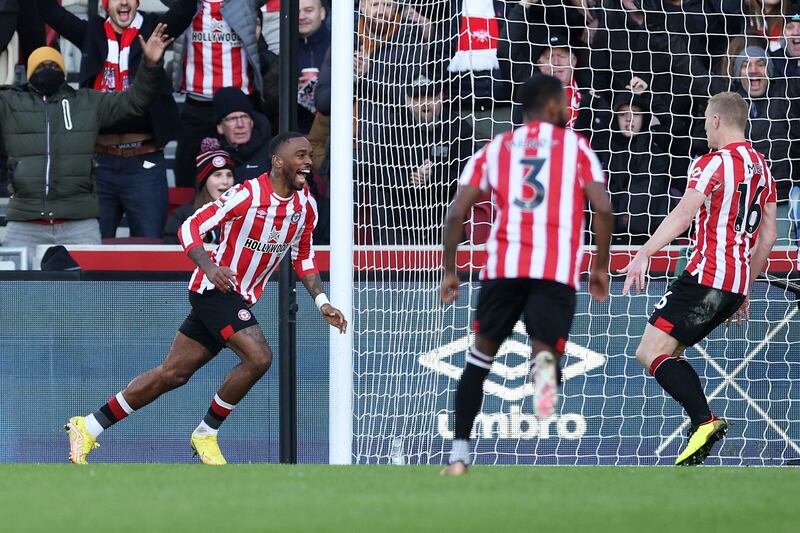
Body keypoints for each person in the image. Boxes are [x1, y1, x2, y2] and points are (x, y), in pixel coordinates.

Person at [65, 132, 347, 465]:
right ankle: (206, 433)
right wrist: (210, 266)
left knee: (172, 374)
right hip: (214, 291)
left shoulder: (305, 206)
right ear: (278, 162)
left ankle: (89, 425)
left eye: (309, 155)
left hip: (239, 297)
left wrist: (321, 302)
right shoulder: (246, 195)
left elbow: (303, 257)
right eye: (300, 156)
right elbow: (189, 228)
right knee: (259, 357)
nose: (307, 162)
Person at [439, 75, 612, 476]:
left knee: (478, 360)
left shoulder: (495, 148)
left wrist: (450, 270)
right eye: (565, 102)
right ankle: (544, 368)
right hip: (555, 271)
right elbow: (603, 209)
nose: (569, 108)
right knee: (546, 348)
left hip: (503, 269)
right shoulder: (575, 147)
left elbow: (454, 213)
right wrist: (600, 266)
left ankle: (459, 457)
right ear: (552, 106)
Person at [621, 92, 778, 466]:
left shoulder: (712, 163)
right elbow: (768, 235)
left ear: (719, 121)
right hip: (734, 282)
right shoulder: (762, 167)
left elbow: (683, 214)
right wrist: (746, 288)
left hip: (706, 276)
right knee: (668, 352)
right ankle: (702, 423)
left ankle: (704, 422)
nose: (705, 127)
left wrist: (644, 252)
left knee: (649, 351)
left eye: (707, 120)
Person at [0, 27, 172, 252]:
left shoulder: (87, 102)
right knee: (14, 287)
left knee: (89, 286)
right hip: (25, 221)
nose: (48, 69)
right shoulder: (11, 102)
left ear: (63, 72)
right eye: (41, 66)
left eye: (54, 65)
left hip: (79, 223)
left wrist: (150, 66)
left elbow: (134, 102)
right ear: (30, 73)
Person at [37, 0, 197, 240]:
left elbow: (185, 7)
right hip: (100, 163)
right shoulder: (92, 31)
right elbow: (47, 9)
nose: (123, 2)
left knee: (149, 249)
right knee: (92, 247)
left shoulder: (154, 28)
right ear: (105, 4)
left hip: (145, 162)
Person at [166, 0, 268, 188]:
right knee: (186, 171)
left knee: (242, 173)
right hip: (198, 102)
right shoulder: (187, 4)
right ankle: (189, 215)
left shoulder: (245, 3)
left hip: (238, 103)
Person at [162, 138, 235, 244]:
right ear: (203, 181)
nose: (225, 181)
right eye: (217, 175)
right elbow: (170, 252)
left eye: (229, 175)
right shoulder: (183, 217)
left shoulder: (243, 214)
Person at [214, 86, 273, 183]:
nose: (240, 125)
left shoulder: (273, 152)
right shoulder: (213, 156)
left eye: (244, 117)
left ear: (252, 122)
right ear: (220, 127)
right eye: (232, 119)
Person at [296, 0, 330, 134]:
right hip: (297, 131)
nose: (301, 16)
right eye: (297, 11)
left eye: (308, 10)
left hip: (331, 131)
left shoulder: (338, 43)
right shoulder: (286, 47)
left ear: (322, 13)